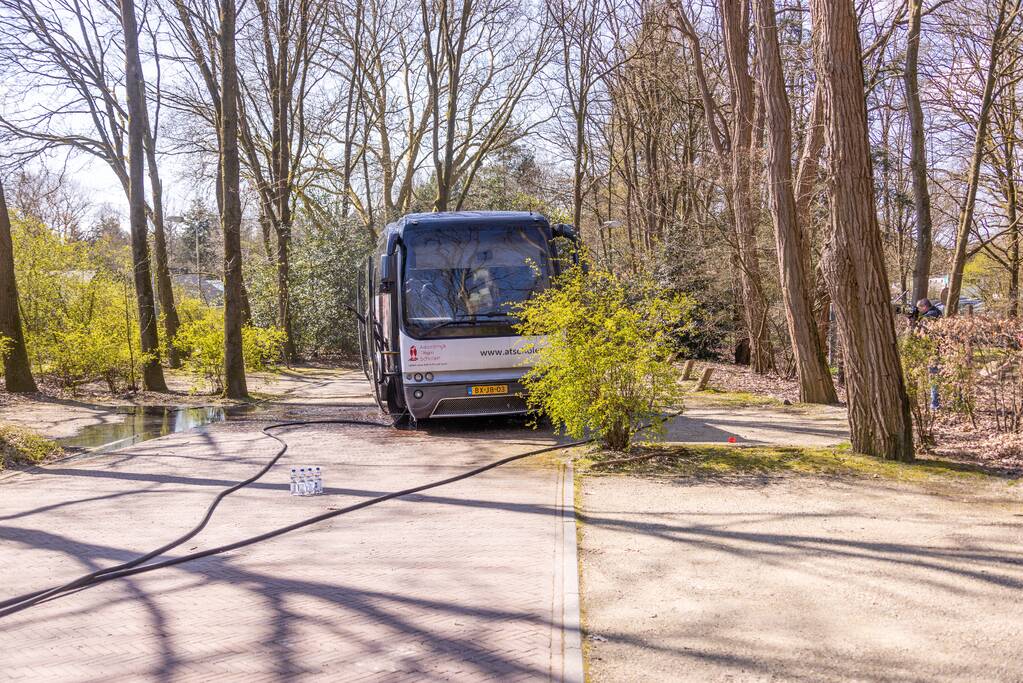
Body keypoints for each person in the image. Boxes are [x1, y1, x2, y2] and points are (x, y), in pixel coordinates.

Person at [911, 298, 942, 410]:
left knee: (933, 376)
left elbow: (921, 328)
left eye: (919, 308)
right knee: (934, 375)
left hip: (933, 350)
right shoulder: (936, 311)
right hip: (934, 349)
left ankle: (935, 403)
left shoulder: (932, 314)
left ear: (924, 307)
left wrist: (914, 320)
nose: (918, 310)